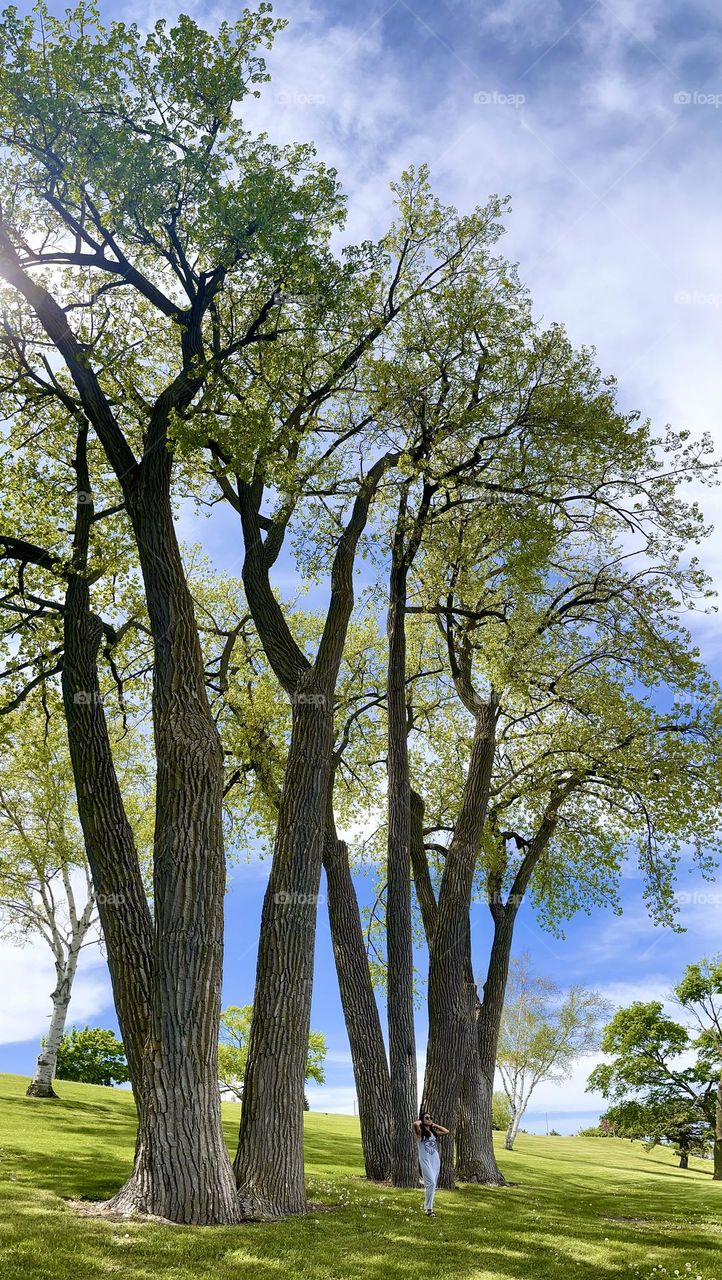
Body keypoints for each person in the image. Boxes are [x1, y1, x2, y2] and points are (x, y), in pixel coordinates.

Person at [412, 1102, 449, 1216]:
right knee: (431, 1183)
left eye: (430, 1117)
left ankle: (428, 1207)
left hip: (435, 1160)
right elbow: (415, 1125)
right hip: (425, 1160)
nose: (429, 1119)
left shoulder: (433, 1133)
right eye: (427, 1118)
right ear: (422, 1120)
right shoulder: (420, 1133)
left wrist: (434, 1125)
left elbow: (446, 1131)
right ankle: (429, 1210)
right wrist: (419, 1121)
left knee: (432, 1184)